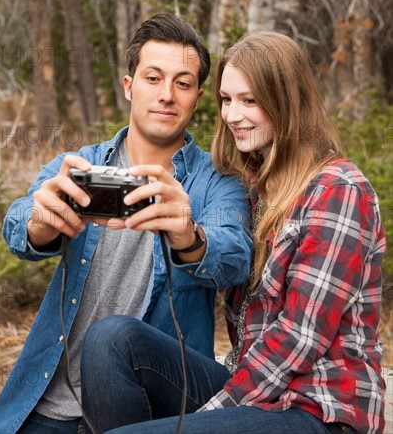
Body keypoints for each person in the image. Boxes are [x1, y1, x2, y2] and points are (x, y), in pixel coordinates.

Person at [80, 31, 386, 434]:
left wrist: (208, 415)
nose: (233, 115)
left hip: (320, 407)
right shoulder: (257, 188)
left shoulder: (338, 189)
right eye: (227, 100)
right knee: (111, 338)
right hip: (262, 394)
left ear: (285, 101)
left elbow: (300, 338)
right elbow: (223, 253)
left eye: (250, 100)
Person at [0, 13, 253, 434]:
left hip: (144, 406)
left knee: (114, 340)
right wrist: (40, 223)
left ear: (197, 98)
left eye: (182, 83)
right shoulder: (81, 165)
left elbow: (235, 256)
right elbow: (18, 224)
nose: (166, 95)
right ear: (129, 86)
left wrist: (189, 235)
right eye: (152, 78)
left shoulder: (215, 181)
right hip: (50, 397)